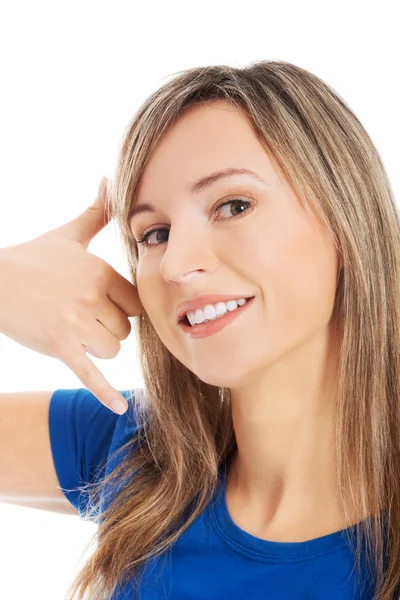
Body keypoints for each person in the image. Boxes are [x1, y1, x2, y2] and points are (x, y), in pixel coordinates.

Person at [0, 59, 398, 599]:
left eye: (234, 205)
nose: (175, 264)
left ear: (345, 220)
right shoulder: (137, 455)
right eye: (155, 233)